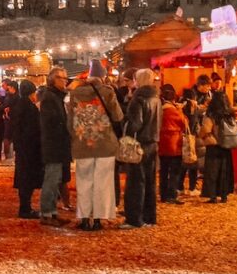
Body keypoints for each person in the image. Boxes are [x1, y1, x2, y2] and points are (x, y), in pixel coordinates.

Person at [68, 62, 122, 230]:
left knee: (84, 181)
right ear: (102, 77)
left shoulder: (75, 94)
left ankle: (84, 218)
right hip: (105, 144)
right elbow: (118, 116)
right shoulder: (107, 92)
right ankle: (98, 219)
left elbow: (70, 122)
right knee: (103, 182)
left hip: (83, 143)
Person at [123, 69, 162, 228]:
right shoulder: (156, 98)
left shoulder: (138, 99)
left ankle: (134, 219)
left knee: (135, 182)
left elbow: (135, 124)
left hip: (139, 143)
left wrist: (126, 126)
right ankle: (149, 217)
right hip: (153, 143)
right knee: (150, 182)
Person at [39, 67, 71, 227]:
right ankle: (46, 213)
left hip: (59, 144)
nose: (65, 81)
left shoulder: (57, 97)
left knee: (56, 178)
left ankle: (52, 212)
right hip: (54, 144)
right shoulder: (49, 98)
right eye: (62, 78)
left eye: (66, 78)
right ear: (53, 79)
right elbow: (51, 122)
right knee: (51, 179)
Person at [9, 80, 43, 219]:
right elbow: (33, 130)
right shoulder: (30, 108)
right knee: (27, 179)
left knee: (24, 179)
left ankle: (25, 206)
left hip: (21, 147)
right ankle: (25, 208)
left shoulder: (18, 105)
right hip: (29, 148)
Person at [199, 80, 235, 203]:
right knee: (224, 171)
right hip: (226, 144)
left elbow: (206, 129)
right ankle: (224, 195)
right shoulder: (230, 113)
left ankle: (213, 195)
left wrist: (201, 135)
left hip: (214, 145)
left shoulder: (212, 114)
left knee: (212, 171)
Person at [158, 83, 189, 206]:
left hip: (162, 143)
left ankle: (163, 194)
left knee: (164, 170)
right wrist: (181, 110)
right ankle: (172, 194)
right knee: (175, 171)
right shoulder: (174, 111)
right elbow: (184, 123)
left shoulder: (160, 110)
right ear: (173, 99)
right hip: (174, 143)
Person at [181, 74, 212, 195]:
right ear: (200, 85)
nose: (209, 88)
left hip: (195, 130)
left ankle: (184, 186)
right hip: (192, 131)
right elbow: (191, 113)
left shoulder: (206, 95)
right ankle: (190, 187)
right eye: (207, 86)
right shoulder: (191, 95)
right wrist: (203, 108)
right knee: (192, 159)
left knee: (190, 159)